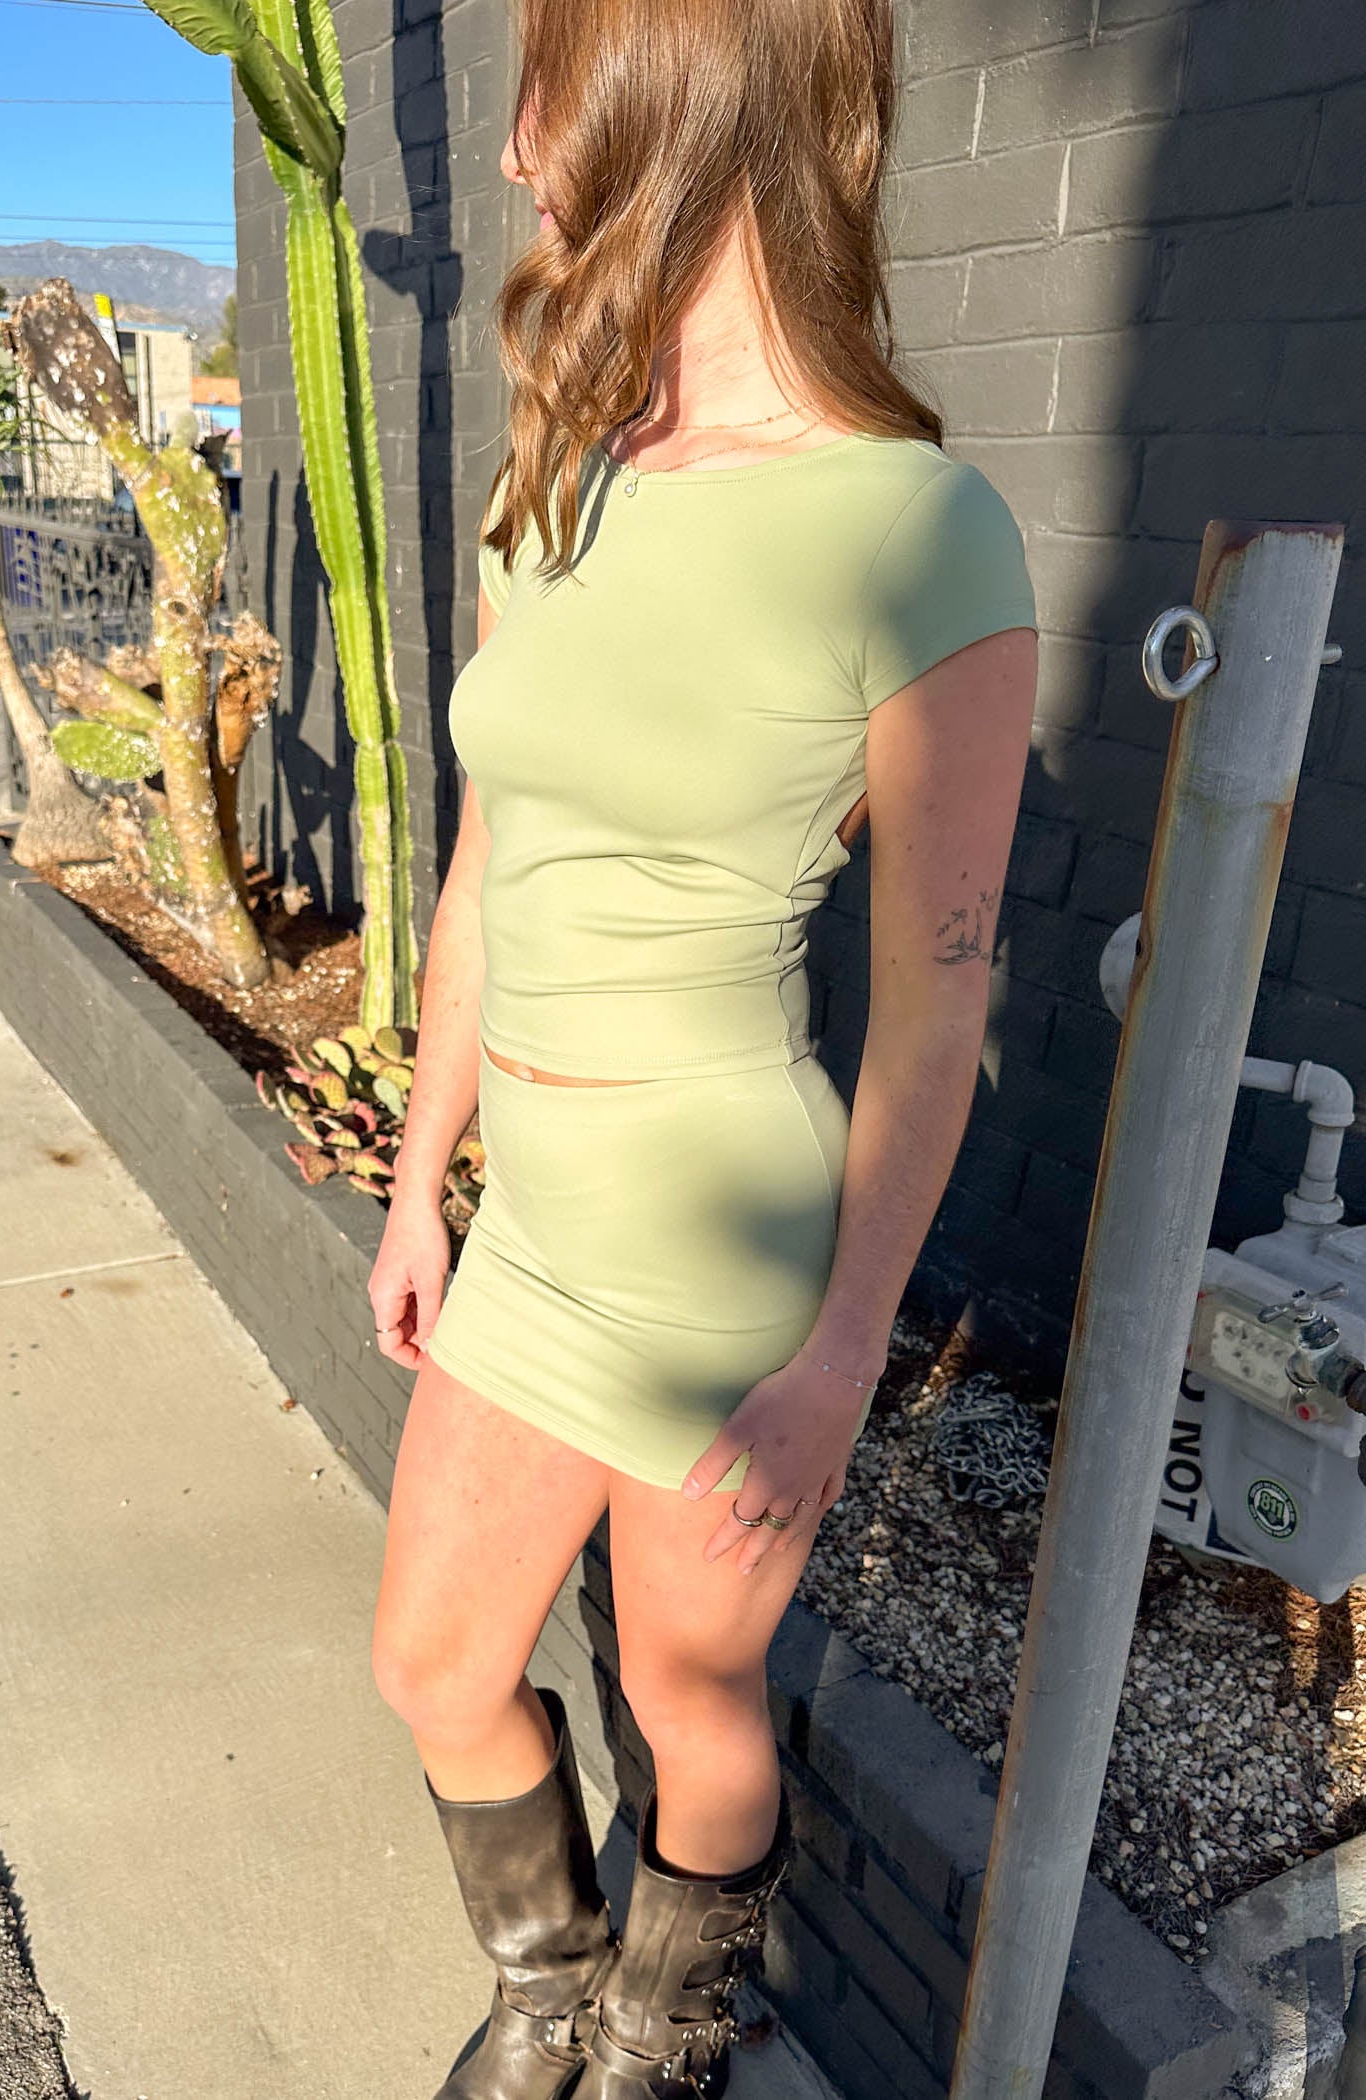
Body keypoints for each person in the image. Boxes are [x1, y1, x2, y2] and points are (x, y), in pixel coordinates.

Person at [367, 0, 1039, 2092]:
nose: (512, 156)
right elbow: (489, 864)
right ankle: (547, 1985)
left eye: (543, 93)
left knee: (693, 1689)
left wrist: (840, 1357)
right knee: (432, 1659)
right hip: (535, 1226)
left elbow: (939, 1001)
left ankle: (658, 2036)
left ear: (681, 94)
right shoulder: (555, 479)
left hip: (715, 1245)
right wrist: (421, 1179)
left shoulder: (912, 533)